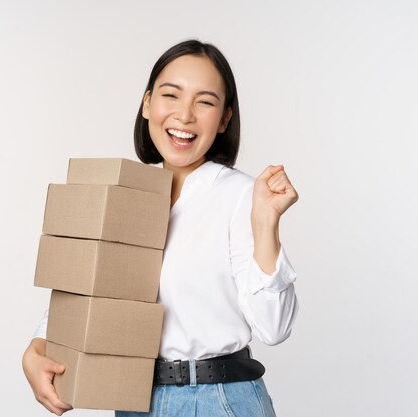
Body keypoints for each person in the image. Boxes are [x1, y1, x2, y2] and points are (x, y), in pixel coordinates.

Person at [22, 39, 299, 417]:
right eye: (172, 96)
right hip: (135, 399)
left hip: (217, 400)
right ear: (147, 103)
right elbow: (93, 289)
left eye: (204, 102)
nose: (184, 116)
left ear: (224, 119)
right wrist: (38, 346)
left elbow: (275, 328)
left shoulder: (241, 195)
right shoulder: (129, 192)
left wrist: (266, 224)